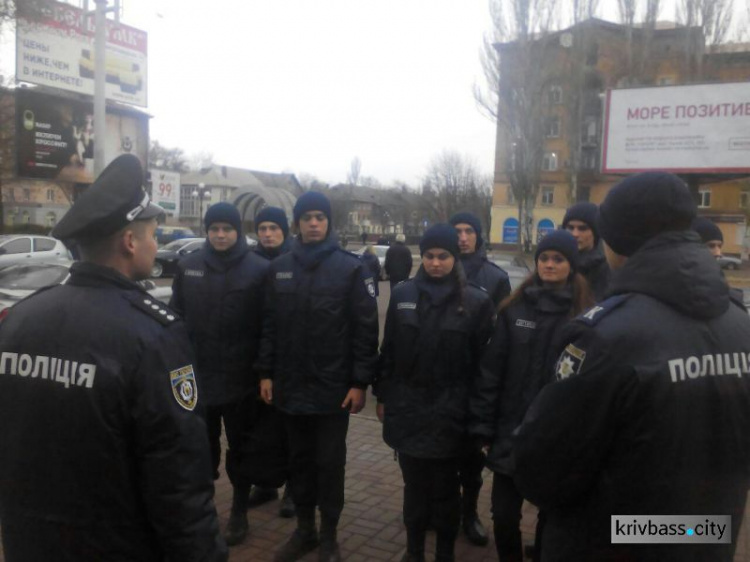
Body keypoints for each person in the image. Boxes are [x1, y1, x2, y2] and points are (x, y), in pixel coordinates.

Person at [0, 154, 227, 561]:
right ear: (129, 241)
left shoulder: (20, 318)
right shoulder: (154, 334)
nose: (157, 244)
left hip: (28, 543)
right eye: (153, 234)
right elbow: (177, 479)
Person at [514, 172, 750, 562]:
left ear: (616, 241)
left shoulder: (607, 336)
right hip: (707, 538)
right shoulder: (741, 325)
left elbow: (543, 468)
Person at [259, 191, 379, 562]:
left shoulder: (351, 268)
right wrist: (265, 372)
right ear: (297, 223)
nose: (313, 223)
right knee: (299, 463)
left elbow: (365, 330)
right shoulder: (279, 267)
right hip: (290, 386)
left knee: (329, 465)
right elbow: (269, 326)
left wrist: (359, 382)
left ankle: (329, 536)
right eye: (307, 217)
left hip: (332, 391)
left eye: (320, 217)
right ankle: (305, 531)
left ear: (328, 223)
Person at [471, 230, 593, 562]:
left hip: (556, 437)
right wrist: (483, 428)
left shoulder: (586, 316)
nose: (549, 265)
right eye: (544, 259)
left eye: (558, 259)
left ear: (572, 265)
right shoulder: (513, 309)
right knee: (504, 515)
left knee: (550, 515)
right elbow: (491, 372)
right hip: (511, 432)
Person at [376, 224, 494, 562]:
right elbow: (390, 352)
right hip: (408, 410)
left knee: (445, 494)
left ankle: (445, 554)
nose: (436, 263)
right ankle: (414, 552)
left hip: (452, 415)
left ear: (454, 258)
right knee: (414, 491)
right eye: (429, 256)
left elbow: (484, 368)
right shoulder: (403, 295)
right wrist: (383, 395)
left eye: (443, 256)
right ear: (421, 257)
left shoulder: (476, 301)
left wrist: (479, 415)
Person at [170, 202, 269, 546]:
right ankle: (205, 509)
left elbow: (268, 327)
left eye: (227, 228)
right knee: (200, 448)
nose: (220, 234)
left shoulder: (258, 270)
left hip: (242, 380)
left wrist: (263, 373)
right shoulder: (189, 266)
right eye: (214, 229)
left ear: (237, 231)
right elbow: (176, 319)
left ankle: (239, 510)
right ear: (207, 231)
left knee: (241, 449)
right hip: (196, 380)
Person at [448, 211, 511, 546]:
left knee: (473, 460)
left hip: (477, 382)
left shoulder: (495, 277)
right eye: (456, 230)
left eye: (468, 231)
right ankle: (439, 509)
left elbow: (504, 333)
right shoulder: (437, 264)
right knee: (440, 454)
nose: (462, 237)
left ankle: (469, 513)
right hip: (443, 381)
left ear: (478, 235)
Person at [250, 205, 296, 518]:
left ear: (284, 230)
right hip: (252, 358)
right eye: (262, 228)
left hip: (287, 360)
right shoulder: (249, 262)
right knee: (261, 428)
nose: (267, 234)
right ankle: (266, 483)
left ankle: (294, 488)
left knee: (290, 428)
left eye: (273, 228)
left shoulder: (295, 262)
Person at [562, 202, 610, 301]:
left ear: (596, 232)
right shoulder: (551, 262)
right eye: (570, 228)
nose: (575, 234)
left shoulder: (606, 270)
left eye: (582, 228)